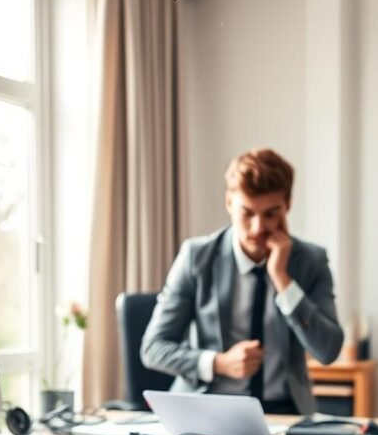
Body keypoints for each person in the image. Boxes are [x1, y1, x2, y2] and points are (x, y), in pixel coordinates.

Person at [140, 148, 344, 415]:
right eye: (247, 213)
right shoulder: (196, 257)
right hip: (209, 410)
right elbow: (153, 348)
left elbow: (328, 351)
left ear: (288, 205)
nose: (258, 227)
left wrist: (283, 279)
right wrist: (218, 363)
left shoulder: (311, 261)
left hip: (285, 413)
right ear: (228, 203)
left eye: (271, 213)